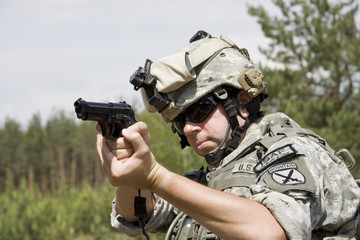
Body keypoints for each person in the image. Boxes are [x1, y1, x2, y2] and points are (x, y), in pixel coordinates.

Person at [96, 31, 360, 239]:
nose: (188, 128)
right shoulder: (213, 178)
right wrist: (130, 175)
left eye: (200, 111)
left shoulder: (294, 151)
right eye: (179, 121)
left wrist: (155, 176)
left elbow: (271, 232)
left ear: (242, 99)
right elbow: (138, 215)